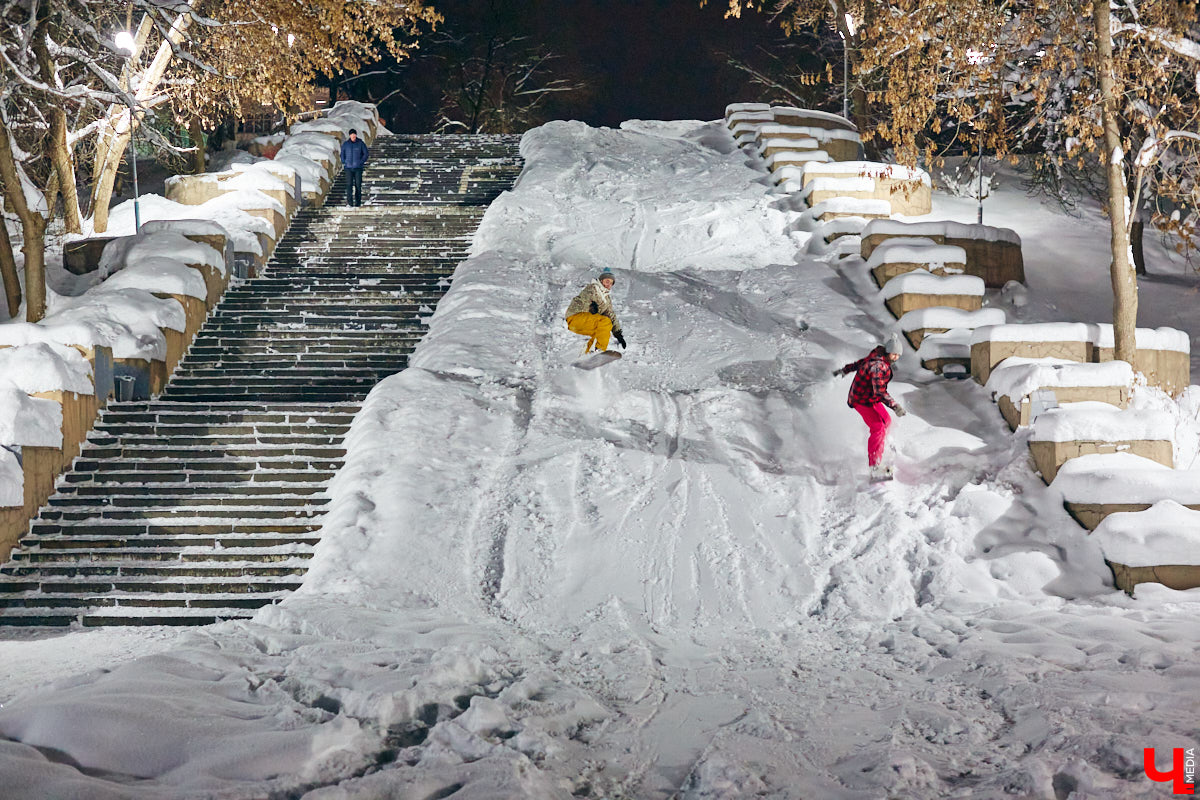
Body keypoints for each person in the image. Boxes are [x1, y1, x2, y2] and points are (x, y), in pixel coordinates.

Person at [832, 333, 907, 479]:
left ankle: (882, 448)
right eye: (894, 354)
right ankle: (875, 467)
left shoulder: (877, 355)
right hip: (861, 399)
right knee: (878, 427)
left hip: (870, 397)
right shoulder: (878, 366)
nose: (896, 357)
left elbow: (860, 363)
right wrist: (895, 406)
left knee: (887, 421)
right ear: (888, 352)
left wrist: (845, 370)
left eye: (898, 355)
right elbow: (880, 391)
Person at [565, 270, 627, 354]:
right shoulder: (593, 288)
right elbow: (584, 299)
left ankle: (588, 354)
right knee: (605, 321)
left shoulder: (606, 298)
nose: (609, 285)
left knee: (602, 331)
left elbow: (611, 315)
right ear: (601, 280)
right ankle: (599, 350)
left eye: (611, 283)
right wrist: (591, 308)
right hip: (576, 317)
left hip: (582, 323)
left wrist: (618, 334)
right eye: (607, 281)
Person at [339, 129, 369, 207]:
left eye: (354, 134)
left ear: (356, 135)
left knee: (358, 185)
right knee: (349, 185)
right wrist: (344, 161)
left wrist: (361, 162)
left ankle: (358, 203)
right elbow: (342, 154)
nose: (353, 136)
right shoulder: (346, 144)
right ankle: (350, 203)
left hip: (358, 168)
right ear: (349, 135)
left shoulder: (361, 143)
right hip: (348, 168)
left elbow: (365, 154)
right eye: (352, 134)